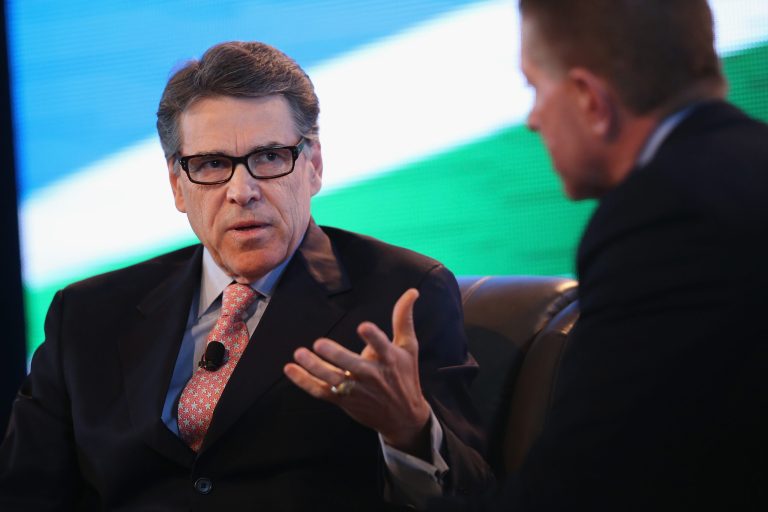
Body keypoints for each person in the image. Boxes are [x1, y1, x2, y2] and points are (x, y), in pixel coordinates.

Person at [0, 41, 492, 511]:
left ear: (313, 166)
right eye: (213, 164)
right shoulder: (87, 315)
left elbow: (475, 493)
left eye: (269, 157)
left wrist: (409, 430)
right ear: (177, 184)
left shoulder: (400, 295)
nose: (243, 190)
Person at [378, 0, 764, 510]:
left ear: (588, 99)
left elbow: (587, 484)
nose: (534, 119)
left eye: (535, 87)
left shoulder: (661, 217)